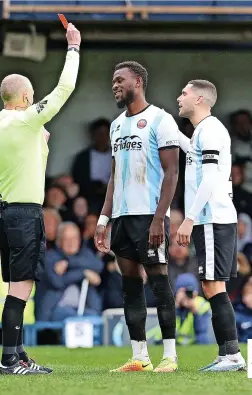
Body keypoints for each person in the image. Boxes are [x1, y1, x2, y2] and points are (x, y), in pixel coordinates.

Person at [0, 23, 81, 375]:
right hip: (25, 214)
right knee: (21, 288)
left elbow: (23, 149)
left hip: (3, 212)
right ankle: (9, 360)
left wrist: (39, 138)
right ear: (25, 99)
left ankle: (19, 355)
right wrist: (73, 47)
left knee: (16, 284)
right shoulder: (26, 121)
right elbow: (65, 88)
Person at [94, 61, 180, 373]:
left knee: (158, 281)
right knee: (129, 285)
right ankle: (139, 356)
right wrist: (104, 219)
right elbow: (114, 178)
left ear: (138, 82)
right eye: (113, 81)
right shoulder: (116, 125)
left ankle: (169, 356)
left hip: (149, 216)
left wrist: (160, 218)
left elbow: (172, 172)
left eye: (120, 80)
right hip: (123, 217)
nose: (114, 85)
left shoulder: (161, 119)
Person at [175, 79, 246, 372]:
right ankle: (227, 354)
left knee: (214, 285)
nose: (179, 97)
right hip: (211, 218)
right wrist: (168, 129)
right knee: (210, 285)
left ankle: (231, 356)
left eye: (184, 93)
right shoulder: (201, 133)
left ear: (201, 99)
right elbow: (192, 152)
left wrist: (188, 218)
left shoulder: (212, 131)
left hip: (211, 218)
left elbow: (211, 178)